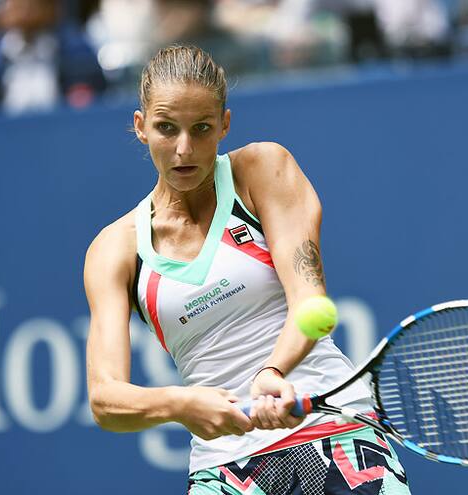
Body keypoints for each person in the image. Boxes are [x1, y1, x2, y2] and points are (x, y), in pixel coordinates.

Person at [84, 44, 411, 494]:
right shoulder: (114, 249)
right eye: (166, 128)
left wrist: (273, 371)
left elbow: (309, 300)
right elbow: (106, 399)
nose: (184, 149)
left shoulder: (262, 169)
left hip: (336, 438)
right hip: (225, 470)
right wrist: (182, 404)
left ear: (225, 124)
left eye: (201, 128)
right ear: (141, 127)